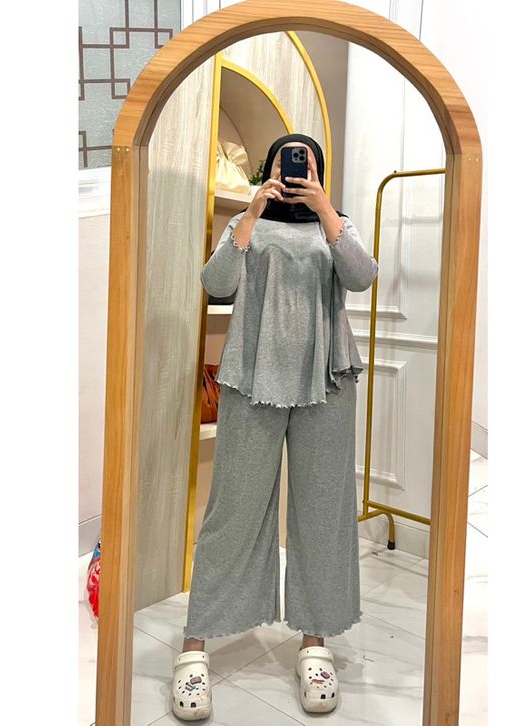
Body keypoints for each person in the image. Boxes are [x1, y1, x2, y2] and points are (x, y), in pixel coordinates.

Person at [171, 133, 379, 720]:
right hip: (252, 380)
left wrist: (324, 208)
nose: (295, 172)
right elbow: (216, 285)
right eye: (288, 163)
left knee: (322, 514)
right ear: (270, 168)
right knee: (232, 510)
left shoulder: (337, 223)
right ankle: (194, 646)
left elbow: (362, 276)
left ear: (319, 171)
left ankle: (314, 644)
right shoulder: (248, 223)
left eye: (306, 164)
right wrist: (251, 212)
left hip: (327, 381)